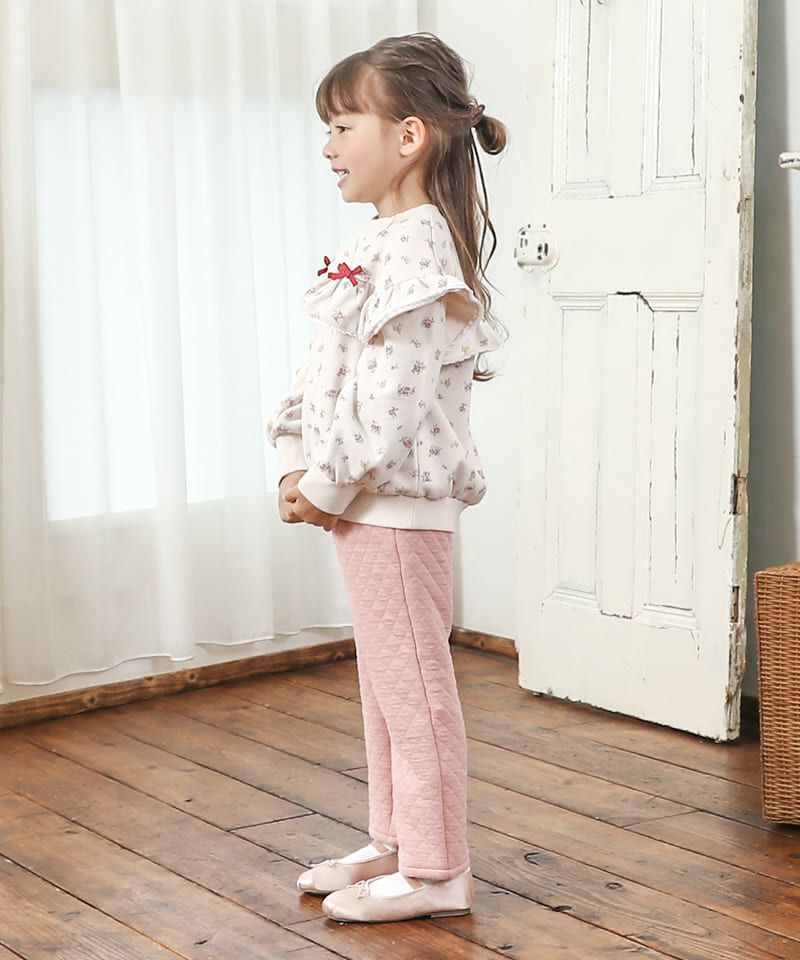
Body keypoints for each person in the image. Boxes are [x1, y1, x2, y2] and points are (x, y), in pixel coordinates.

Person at [265, 31, 508, 924]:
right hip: (361, 503)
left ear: (408, 137)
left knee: (415, 692)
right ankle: (397, 840)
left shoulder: (417, 250)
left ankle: (440, 871)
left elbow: (390, 401)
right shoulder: (379, 240)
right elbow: (324, 373)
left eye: (342, 126)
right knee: (385, 687)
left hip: (396, 509)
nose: (327, 146)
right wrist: (294, 458)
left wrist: (324, 484)